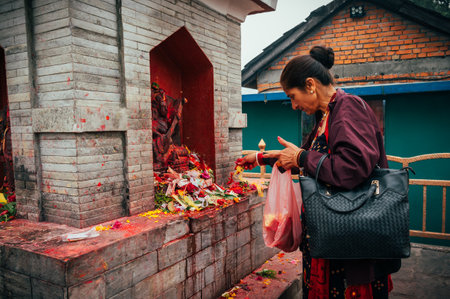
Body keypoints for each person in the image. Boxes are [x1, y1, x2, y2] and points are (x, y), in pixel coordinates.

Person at [236, 46, 400, 298]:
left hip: (349, 240)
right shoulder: (329, 113)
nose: (293, 105)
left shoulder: (348, 109)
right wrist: (262, 157)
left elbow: (352, 168)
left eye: (292, 96)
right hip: (333, 233)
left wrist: (301, 157)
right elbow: (315, 159)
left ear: (310, 85)